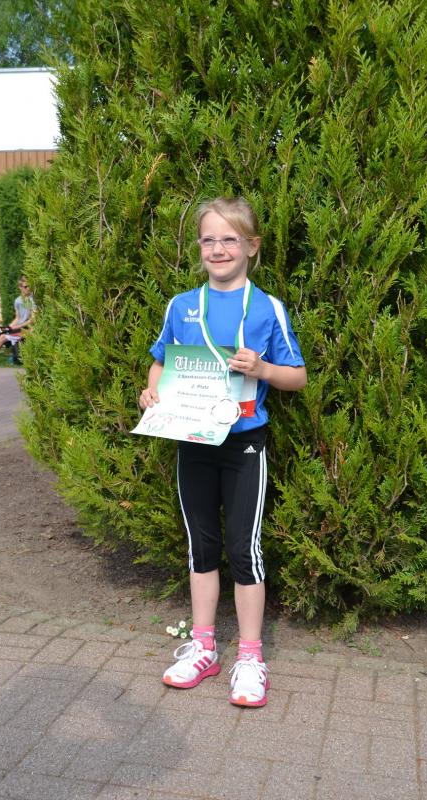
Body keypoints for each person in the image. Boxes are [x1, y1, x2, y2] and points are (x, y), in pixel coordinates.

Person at [139, 197, 307, 707]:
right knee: (201, 546)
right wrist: (152, 391)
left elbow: (297, 377)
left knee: (243, 548)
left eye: (229, 239)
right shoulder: (180, 305)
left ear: (251, 247)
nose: (218, 248)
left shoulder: (268, 307)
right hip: (192, 440)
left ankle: (251, 657)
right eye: (209, 239)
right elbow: (161, 361)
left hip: (244, 443)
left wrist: (263, 370)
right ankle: (204, 647)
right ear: (199, 247)